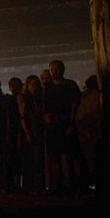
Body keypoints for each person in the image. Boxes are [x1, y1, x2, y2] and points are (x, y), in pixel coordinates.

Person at [42, 60, 82, 196]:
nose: (54, 71)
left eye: (57, 68)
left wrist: (71, 123)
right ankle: (57, 185)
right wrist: (45, 117)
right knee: (54, 156)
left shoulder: (70, 85)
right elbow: (45, 106)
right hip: (53, 126)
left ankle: (74, 184)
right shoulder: (48, 87)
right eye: (52, 69)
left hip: (66, 123)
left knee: (71, 155)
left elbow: (75, 104)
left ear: (62, 69)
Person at [17, 75, 45, 194]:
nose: (33, 86)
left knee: (39, 158)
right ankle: (28, 185)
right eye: (31, 84)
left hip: (39, 128)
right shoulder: (23, 98)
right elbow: (22, 116)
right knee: (28, 158)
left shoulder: (40, 97)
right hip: (28, 129)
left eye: (35, 83)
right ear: (27, 85)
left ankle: (39, 186)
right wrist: (27, 132)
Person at [75, 75, 101, 193]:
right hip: (87, 133)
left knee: (92, 160)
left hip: (90, 133)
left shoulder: (92, 98)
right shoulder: (91, 97)